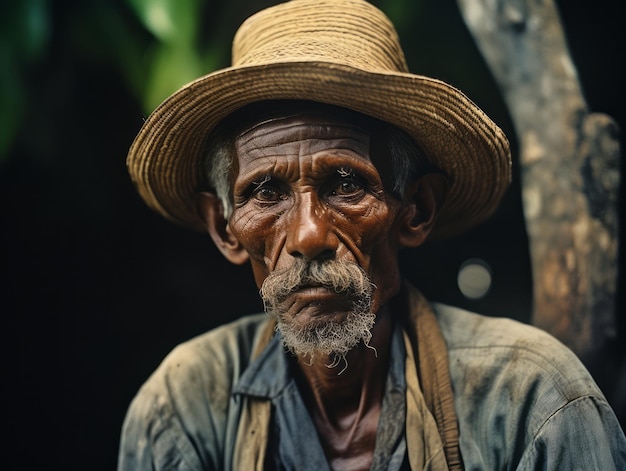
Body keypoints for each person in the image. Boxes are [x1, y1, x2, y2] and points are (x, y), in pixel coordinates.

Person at [118, 0, 626, 469]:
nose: (309, 234)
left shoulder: (530, 401)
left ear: (416, 211)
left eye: (346, 184)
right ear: (224, 230)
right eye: (267, 193)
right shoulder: (183, 406)